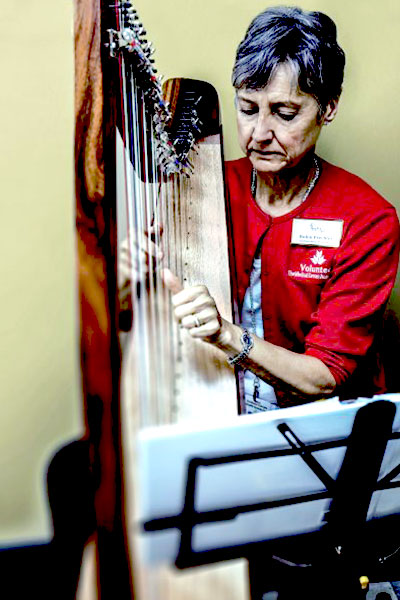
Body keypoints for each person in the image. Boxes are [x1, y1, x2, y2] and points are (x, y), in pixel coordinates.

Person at [162, 5, 400, 413]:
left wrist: (227, 335)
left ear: (328, 108)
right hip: (215, 403)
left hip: (316, 430)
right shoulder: (203, 185)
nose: (259, 134)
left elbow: (325, 376)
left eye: (284, 113)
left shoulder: (368, 219)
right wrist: (135, 273)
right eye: (248, 108)